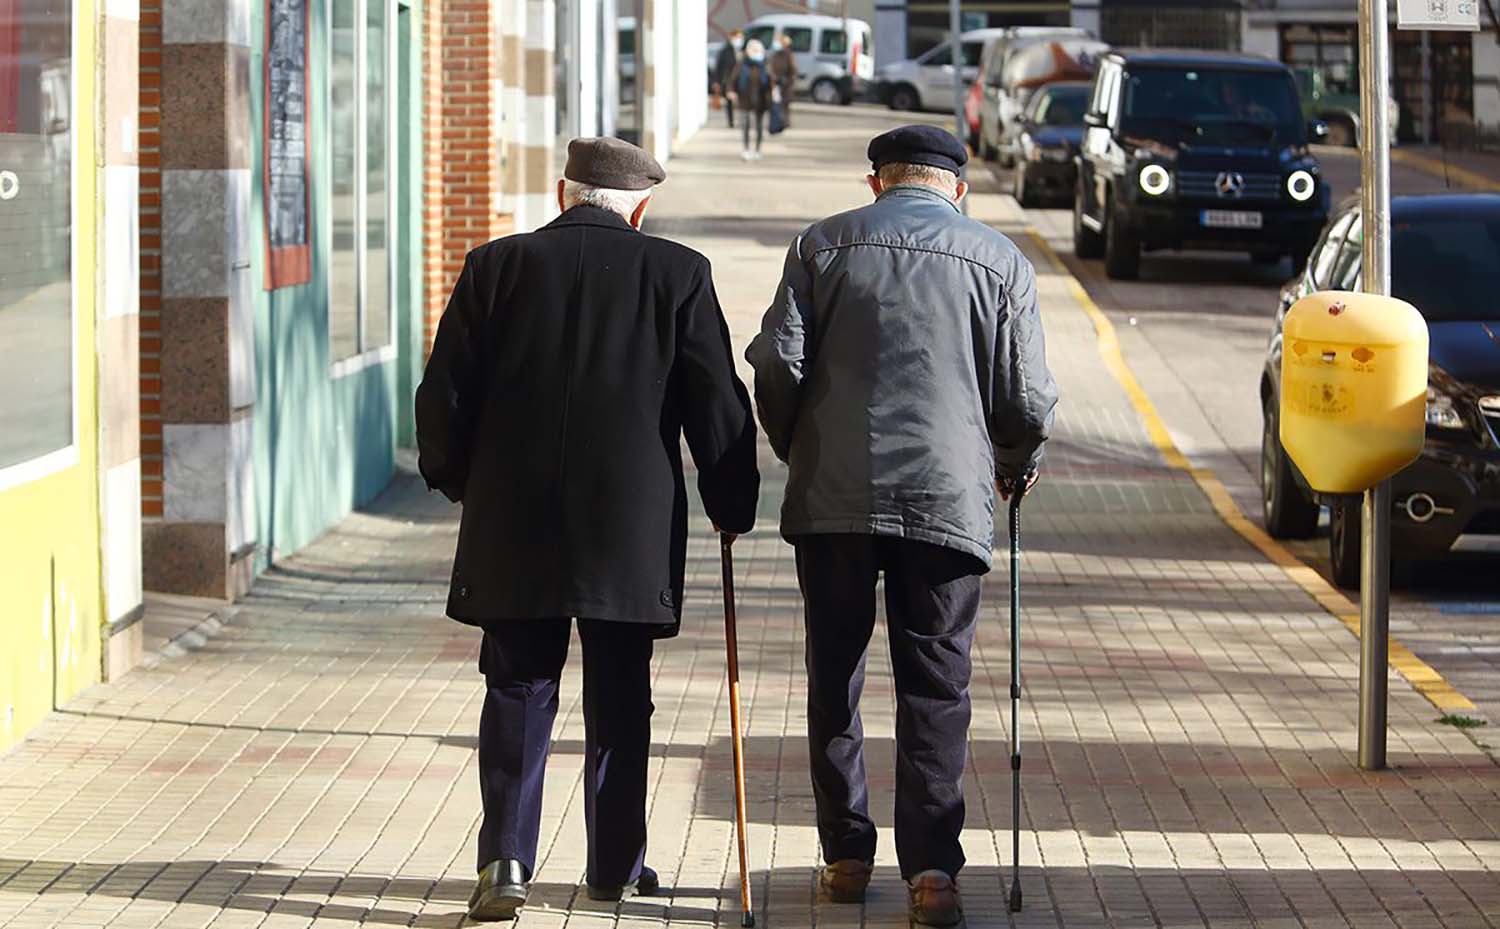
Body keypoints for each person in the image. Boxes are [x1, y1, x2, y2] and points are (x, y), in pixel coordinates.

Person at [416, 136, 760, 923]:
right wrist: (730, 503)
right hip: (626, 526)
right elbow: (718, 404)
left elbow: (442, 398)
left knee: (517, 683)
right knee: (619, 689)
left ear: (562, 192)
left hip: (514, 518)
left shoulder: (493, 267)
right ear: (639, 207)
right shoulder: (677, 273)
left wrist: (461, 480)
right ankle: (613, 865)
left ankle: (504, 859)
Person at [745, 125, 1058, 929]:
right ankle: (930, 874)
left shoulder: (822, 247)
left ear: (876, 181)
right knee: (936, 684)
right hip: (948, 503)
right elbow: (1025, 398)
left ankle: (846, 855)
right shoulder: (1000, 261)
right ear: (959, 188)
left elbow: (777, 365)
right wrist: (1014, 462)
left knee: (834, 672)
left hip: (834, 500)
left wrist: (798, 445)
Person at [728, 38, 773, 160]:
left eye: (758, 50)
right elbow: (733, 79)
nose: (755, 52)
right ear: (747, 51)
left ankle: (758, 150)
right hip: (745, 99)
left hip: (761, 99)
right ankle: (746, 149)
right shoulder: (742, 64)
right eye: (753, 49)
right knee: (745, 125)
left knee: (759, 127)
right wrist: (731, 91)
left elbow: (771, 81)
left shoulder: (765, 64)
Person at [715, 30, 743, 128]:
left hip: (740, 80)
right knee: (730, 101)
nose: (739, 40)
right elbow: (719, 67)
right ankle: (731, 121)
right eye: (737, 38)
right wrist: (717, 81)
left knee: (741, 101)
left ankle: (741, 120)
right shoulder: (725, 51)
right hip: (728, 81)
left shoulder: (741, 50)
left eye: (740, 38)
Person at [768, 33, 796, 128]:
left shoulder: (788, 55)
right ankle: (778, 121)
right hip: (775, 83)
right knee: (776, 103)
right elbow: (770, 67)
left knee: (784, 104)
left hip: (785, 84)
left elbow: (792, 70)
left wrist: (787, 80)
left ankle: (785, 122)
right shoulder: (775, 54)